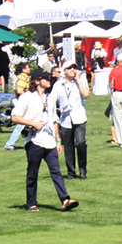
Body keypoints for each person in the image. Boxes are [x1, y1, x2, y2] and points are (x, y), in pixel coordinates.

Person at [11, 75, 77, 211]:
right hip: (34, 140)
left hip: (50, 141)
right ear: (37, 81)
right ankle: (31, 203)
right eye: (46, 79)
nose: (49, 81)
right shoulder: (27, 97)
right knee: (32, 173)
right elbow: (15, 117)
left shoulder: (50, 98)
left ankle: (65, 200)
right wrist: (32, 124)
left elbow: (54, 120)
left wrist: (59, 141)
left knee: (56, 171)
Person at [50, 64, 88, 179]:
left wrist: (78, 80)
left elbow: (86, 94)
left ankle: (82, 170)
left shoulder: (80, 82)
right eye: (70, 68)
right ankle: (71, 171)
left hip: (79, 117)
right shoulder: (58, 85)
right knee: (68, 146)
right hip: (65, 119)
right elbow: (52, 100)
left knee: (80, 143)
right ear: (64, 71)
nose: (73, 70)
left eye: (75, 68)